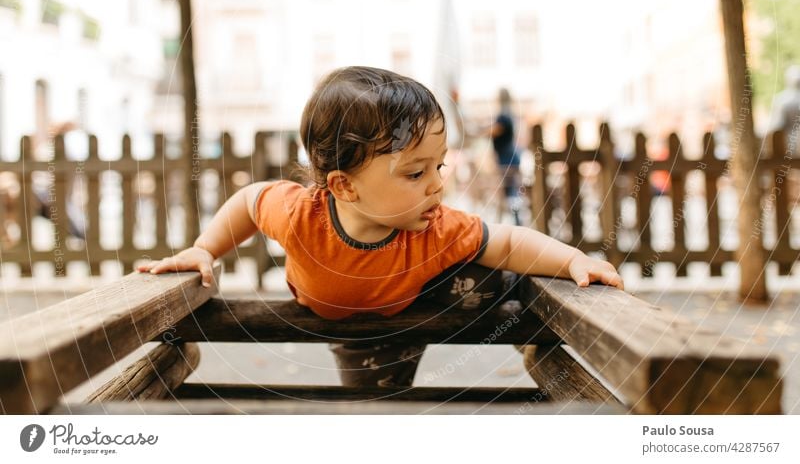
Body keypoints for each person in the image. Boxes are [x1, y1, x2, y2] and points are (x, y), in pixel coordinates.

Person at [137, 66, 622, 387]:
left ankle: (521, 317)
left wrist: (573, 258)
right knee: (374, 406)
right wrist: (205, 248)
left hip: (420, 298)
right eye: (415, 173)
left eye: (439, 166)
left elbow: (510, 239)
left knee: (491, 268)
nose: (437, 185)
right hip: (359, 331)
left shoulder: (434, 228)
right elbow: (248, 201)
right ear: (344, 187)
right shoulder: (299, 214)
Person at [490, 88, 523, 225]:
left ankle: (514, 221)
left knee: (509, 192)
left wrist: (476, 132)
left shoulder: (503, 115)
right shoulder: (510, 114)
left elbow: (495, 131)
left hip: (507, 160)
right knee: (510, 191)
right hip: (510, 158)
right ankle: (515, 220)